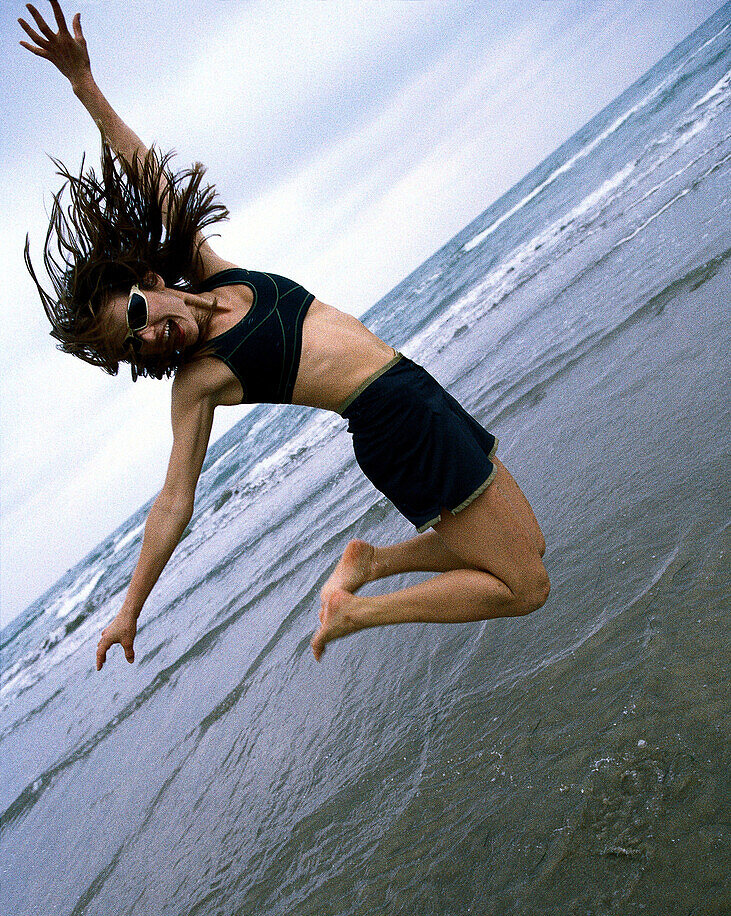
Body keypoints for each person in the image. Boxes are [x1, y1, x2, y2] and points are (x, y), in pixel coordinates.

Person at [19, 1, 550, 668]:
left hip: (413, 385)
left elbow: (148, 174)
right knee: (524, 587)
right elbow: (172, 503)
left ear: (146, 279)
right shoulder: (200, 378)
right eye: (132, 350)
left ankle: (369, 561)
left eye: (133, 319)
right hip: (392, 421)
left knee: (526, 550)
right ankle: (356, 610)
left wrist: (84, 86)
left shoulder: (219, 275)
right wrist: (128, 611)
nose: (146, 340)